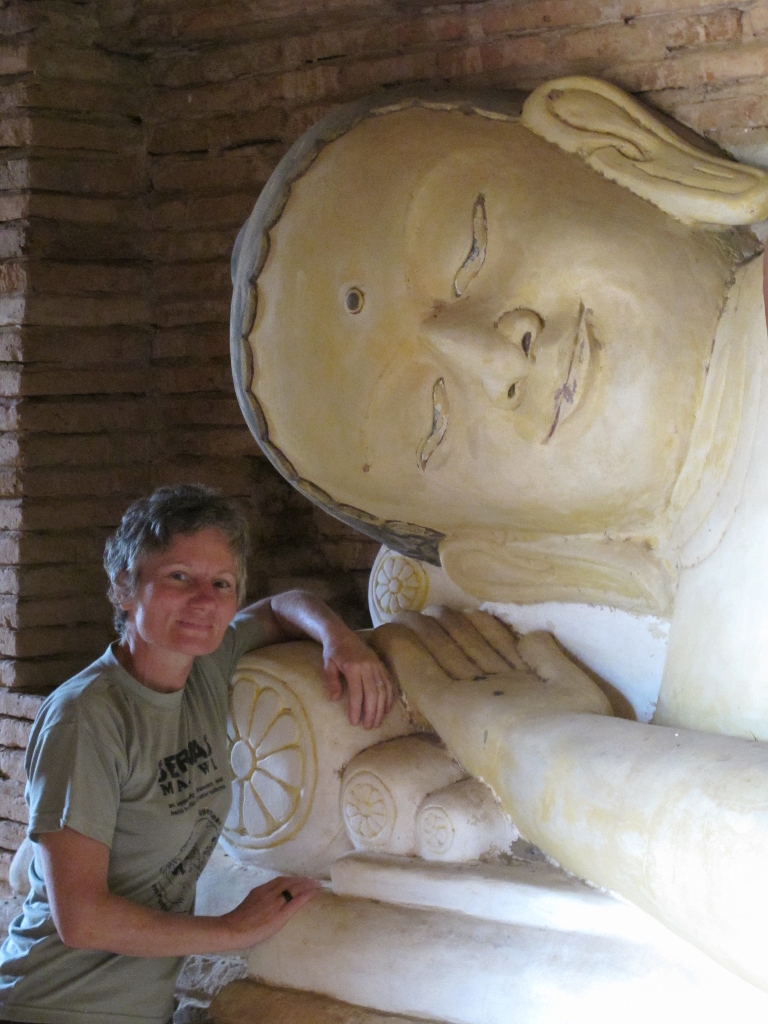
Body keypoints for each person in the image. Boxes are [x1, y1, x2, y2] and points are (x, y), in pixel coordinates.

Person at [0, 483, 392, 1024]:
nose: (205, 601)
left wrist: (339, 638)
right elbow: (81, 919)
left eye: (221, 583)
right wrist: (232, 929)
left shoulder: (206, 667)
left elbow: (281, 606)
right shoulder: (87, 717)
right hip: (50, 1004)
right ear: (125, 587)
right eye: (179, 577)